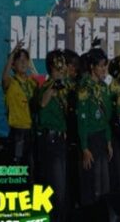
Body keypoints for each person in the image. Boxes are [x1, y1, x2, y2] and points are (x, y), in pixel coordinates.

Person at [35, 49, 71, 222]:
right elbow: (42, 103)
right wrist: (54, 84)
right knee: (55, 188)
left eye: (62, 65)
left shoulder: (64, 88)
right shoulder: (45, 87)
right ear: (51, 68)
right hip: (49, 140)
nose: (62, 69)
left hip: (61, 140)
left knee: (61, 188)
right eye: (58, 66)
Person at [76, 48, 113, 208]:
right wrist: (84, 148)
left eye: (105, 66)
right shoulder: (84, 88)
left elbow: (106, 118)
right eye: (100, 66)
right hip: (90, 139)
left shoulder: (103, 86)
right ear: (92, 67)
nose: (104, 69)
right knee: (93, 185)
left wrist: (109, 141)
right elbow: (81, 120)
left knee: (105, 184)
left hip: (102, 138)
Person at [1, 41, 37, 174]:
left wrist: (31, 66)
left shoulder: (31, 82)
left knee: (31, 169)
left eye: (25, 60)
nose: (23, 63)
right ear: (13, 65)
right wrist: (13, 53)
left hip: (31, 131)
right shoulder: (11, 82)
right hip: (17, 132)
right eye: (20, 60)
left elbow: (43, 89)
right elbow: (4, 76)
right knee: (16, 170)